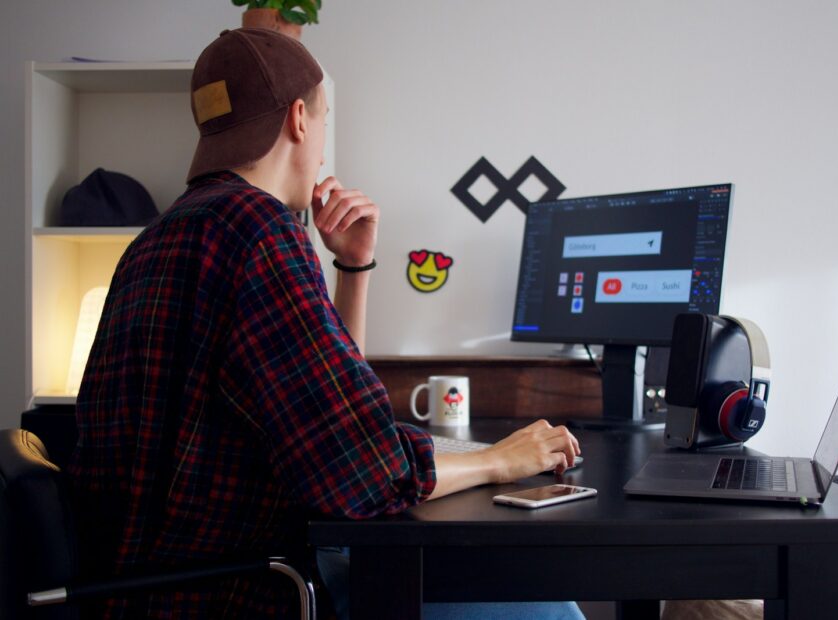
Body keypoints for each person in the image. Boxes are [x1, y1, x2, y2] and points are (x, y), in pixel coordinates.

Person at [68, 28, 583, 619]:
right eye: (324, 119)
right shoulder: (259, 233)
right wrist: (503, 459)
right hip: (240, 592)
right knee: (548, 610)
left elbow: (332, 409)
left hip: (142, 590)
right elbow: (362, 474)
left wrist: (353, 266)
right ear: (298, 120)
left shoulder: (158, 236)